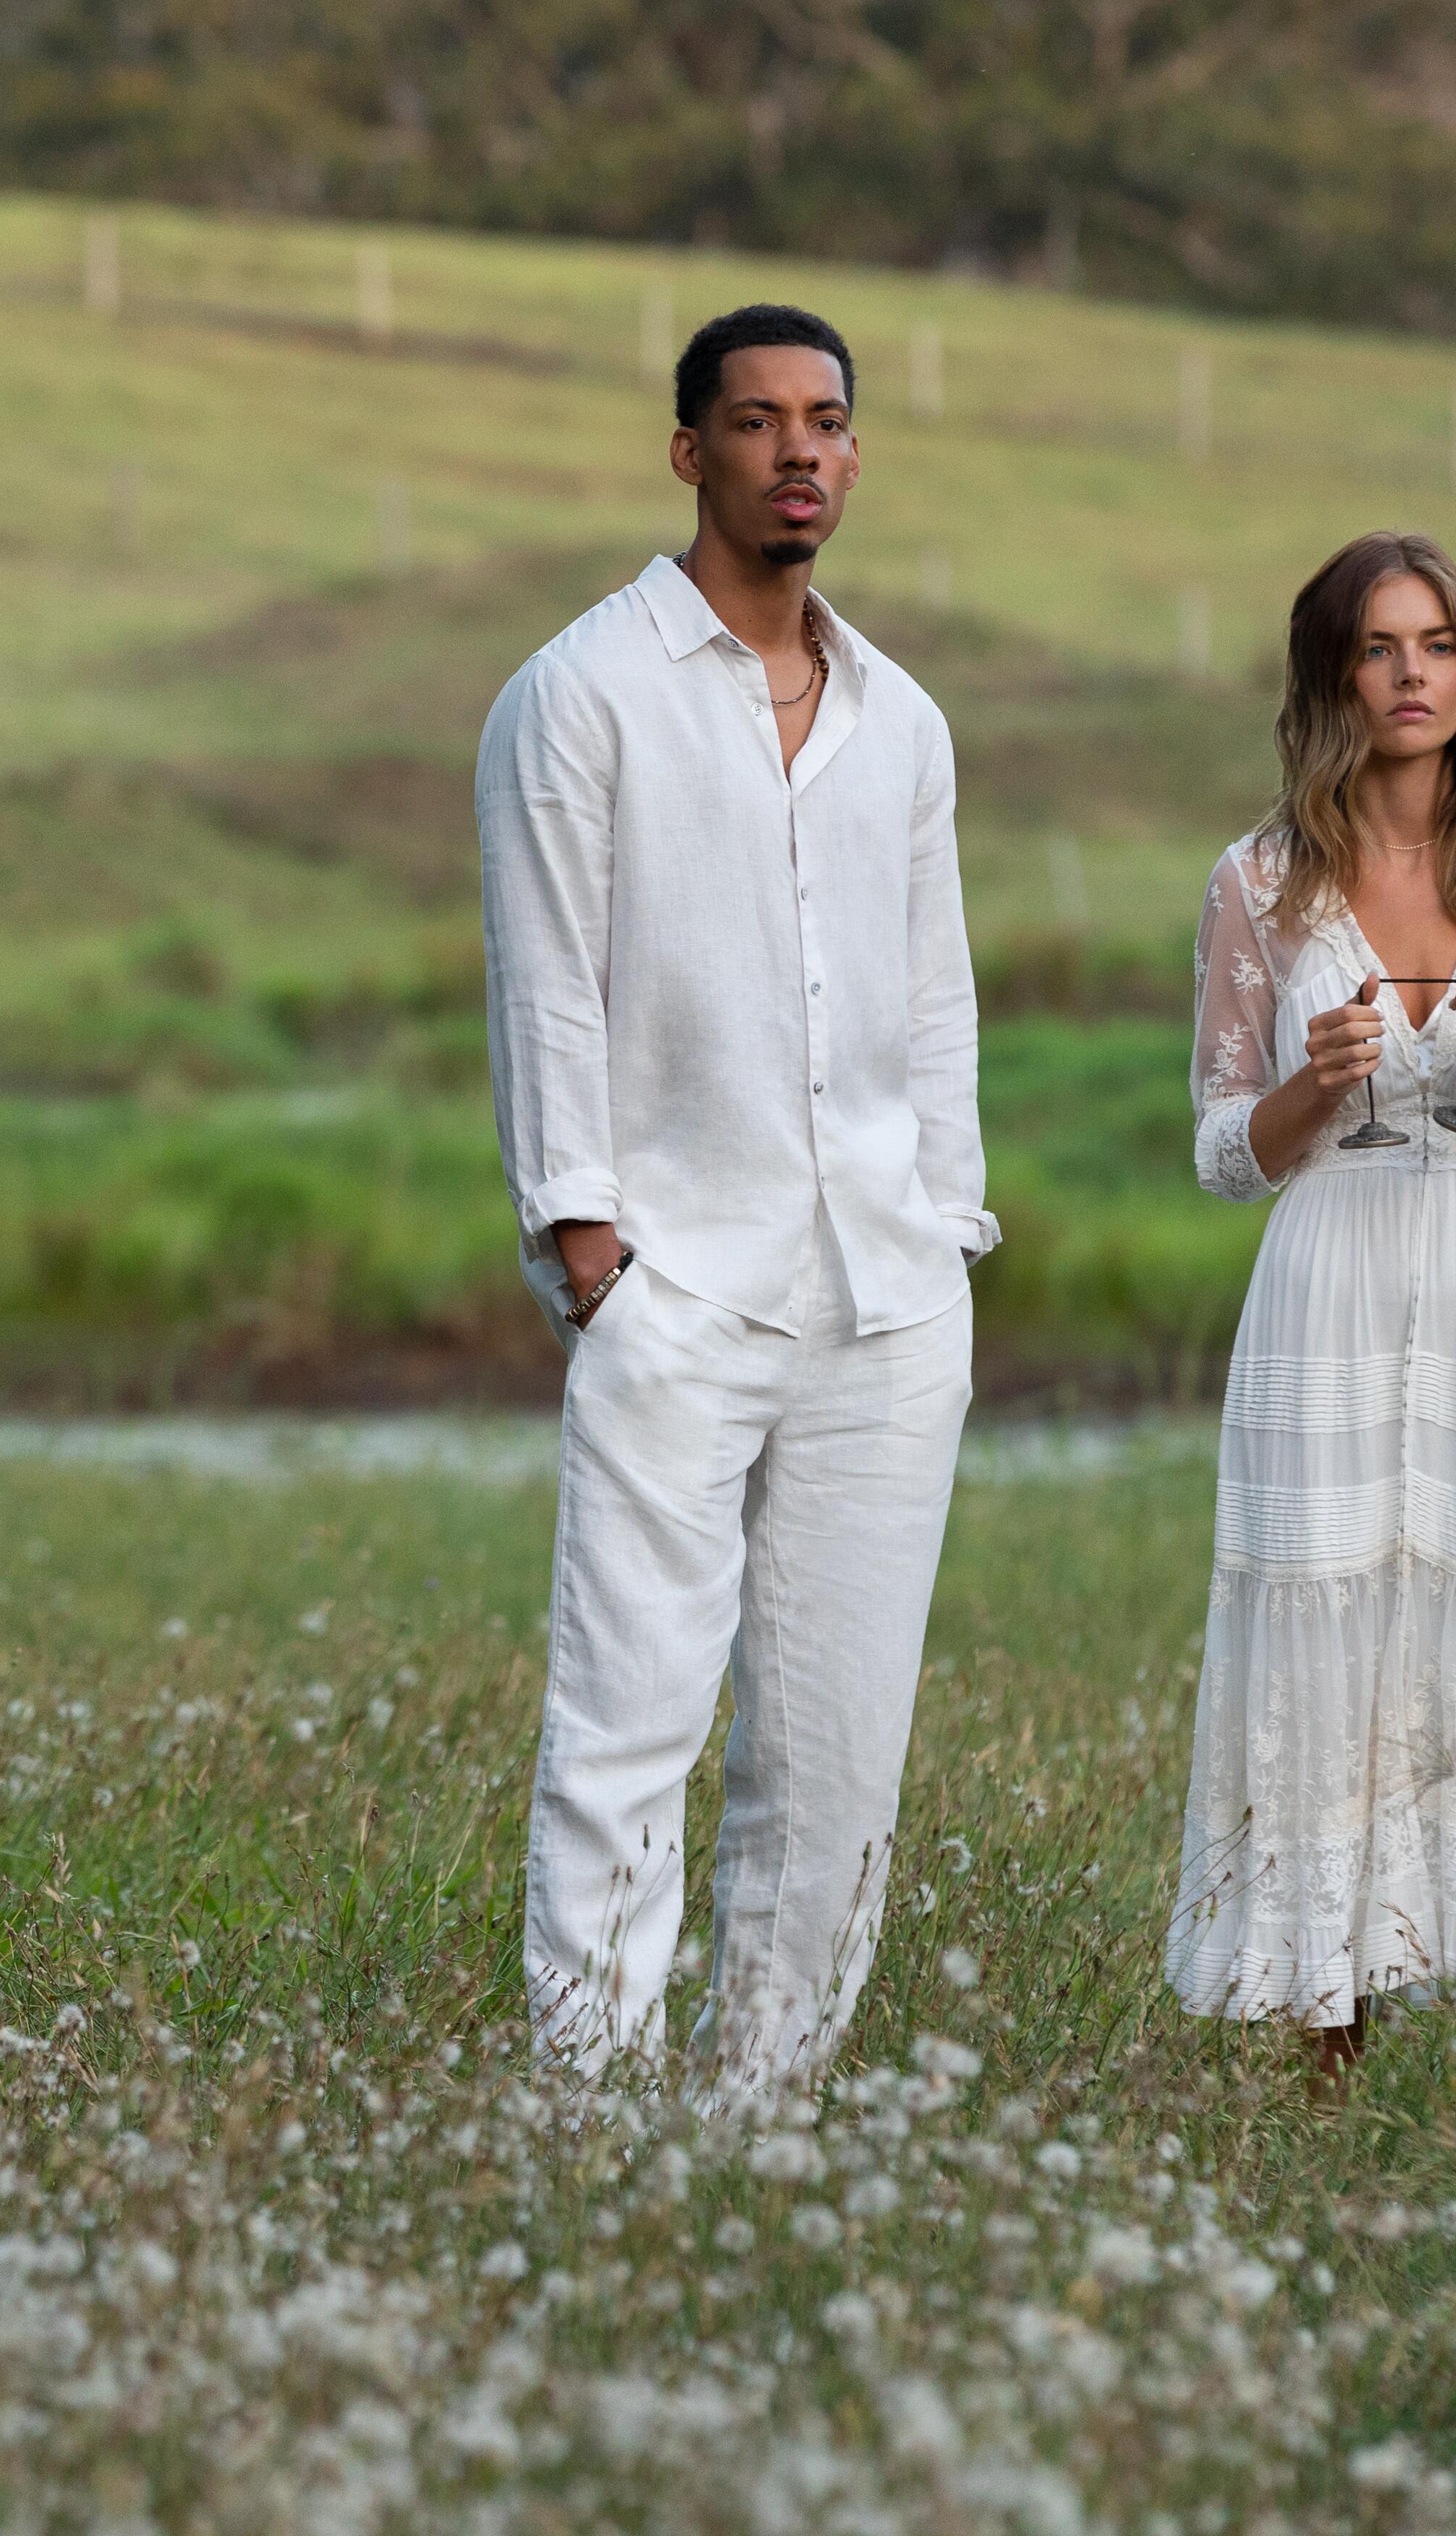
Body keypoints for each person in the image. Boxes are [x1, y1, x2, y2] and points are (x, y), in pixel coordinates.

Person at [476, 302, 994, 2097]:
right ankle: (587, 2117)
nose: (799, 452)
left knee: (840, 1754)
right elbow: (547, 984)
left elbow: (935, 1000)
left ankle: (761, 2120)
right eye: (759, 421)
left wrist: (950, 1230)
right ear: (687, 448)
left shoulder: (902, 721)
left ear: (856, 454)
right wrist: (588, 1248)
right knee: (627, 1728)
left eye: (828, 422)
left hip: (886, 1302)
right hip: (676, 1285)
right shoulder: (578, 693)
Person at [1165, 531, 1456, 2072]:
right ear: (1332, 675)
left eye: (1437, 643)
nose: (1413, 673)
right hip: (1329, 1288)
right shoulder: (1257, 884)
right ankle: (1325, 2045)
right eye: (1380, 647)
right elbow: (1222, 1155)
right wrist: (1311, 1090)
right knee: (1331, 1636)